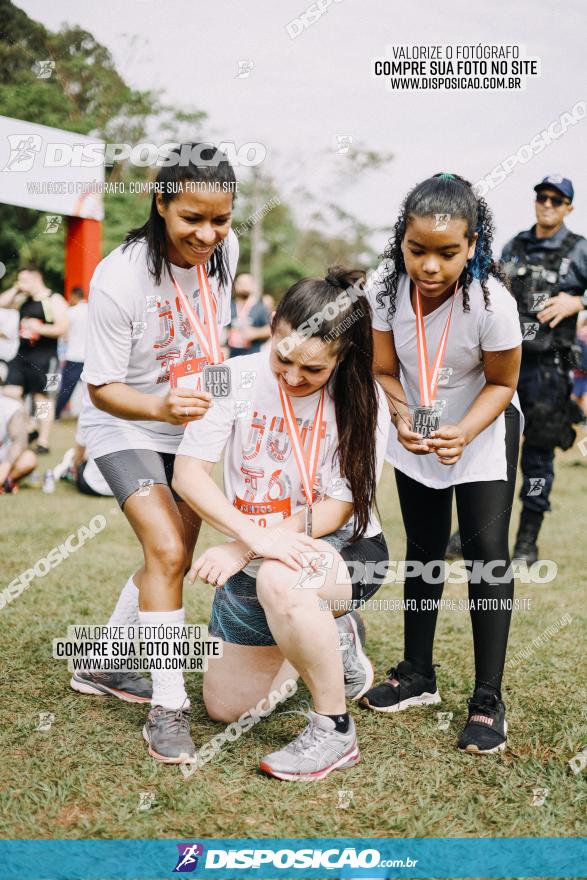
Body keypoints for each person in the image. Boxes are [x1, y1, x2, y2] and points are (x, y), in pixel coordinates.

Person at [172, 267, 390, 781]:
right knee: (228, 709)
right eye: (283, 358)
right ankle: (333, 639)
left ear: (343, 356)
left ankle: (334, 730)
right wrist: (251, 538)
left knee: (282, 577)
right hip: (256, 547)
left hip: (340, 549)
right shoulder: (229, 378)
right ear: (272, 327)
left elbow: (337, 509)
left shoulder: (365, 401)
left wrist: (247, 548)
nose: (293, 378)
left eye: (312, 371)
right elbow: (188, 474)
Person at [71, 143, 239, 763]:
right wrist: (161, 407)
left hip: (190, 420)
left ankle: (105, 664)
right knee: (167, 550)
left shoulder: (224, 254)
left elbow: (210, 340)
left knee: (173, 557)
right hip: (128, 420)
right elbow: (101, 388)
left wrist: (216, 404)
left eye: (220, 220)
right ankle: (170, 706)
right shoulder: (118, 278)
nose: (207, 233)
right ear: (161, 203)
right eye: (192, 218)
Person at [362, 173, 522, 755]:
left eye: (447, 253)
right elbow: (384, 370)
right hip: (419, 426)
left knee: (485, 558)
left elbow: (503, 383)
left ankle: (487, 699)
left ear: (473, 244)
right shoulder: (385, 289)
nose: (429, 267)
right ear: (400, 240)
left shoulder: (492, 302)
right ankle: (417, 675)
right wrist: (405, 418)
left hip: (482, 426)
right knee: (424, 548)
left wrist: (463, 432)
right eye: (417, 250)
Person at [501, 176, 587, 562]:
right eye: (542, 196)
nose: (547, 204)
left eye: (557, 199)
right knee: (492, 451)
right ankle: (476, 535)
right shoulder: (514, 246)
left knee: (537, 455)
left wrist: (579, 304)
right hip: (506, 363)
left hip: (550, 368)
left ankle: (526, 543)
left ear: (568, 207)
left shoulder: (579, 250)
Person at [0, 265, 69, 454]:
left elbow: (63, 328)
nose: (20, 284)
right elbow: (1, 302)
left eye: (23, 280)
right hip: (22, 355)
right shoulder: (23, 299)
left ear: (35, 278)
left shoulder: (53, 299)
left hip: (46, 356)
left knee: (43, 400)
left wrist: (40, 328)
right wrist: (16, 288)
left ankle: (43, 441)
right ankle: (30, 427)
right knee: (10, 392)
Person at [55, 287, 88, 419]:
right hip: (90, 357)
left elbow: (64, 333)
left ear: (74, 296)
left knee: (65, 390)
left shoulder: (70, 312)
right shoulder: (92, 310)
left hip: (73, 355)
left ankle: (55, 414)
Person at [0, 391, 37, 493]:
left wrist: (6, 466)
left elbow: (20, 442)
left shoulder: (10, 406)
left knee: (29, 459)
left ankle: (7, 480)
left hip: (6, 459)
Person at [227, 273, 271, 357]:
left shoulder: (260, 308)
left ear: (253, 286)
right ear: (235, 286)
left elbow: (271, 329)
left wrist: (255, 333)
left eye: (247, 283)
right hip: (231, 355)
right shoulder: (229, 307)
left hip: (252, 355)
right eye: (240, 283)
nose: (243, 286)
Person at [572, 311, 587, 417]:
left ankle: (580, 418)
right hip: (583, 372)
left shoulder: (580, 333)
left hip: (577, 372)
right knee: (582, 396)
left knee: (576, 397)